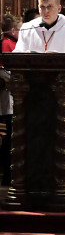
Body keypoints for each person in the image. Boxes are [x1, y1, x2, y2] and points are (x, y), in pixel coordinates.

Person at [14, 0, 65, 195]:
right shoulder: (28, 27)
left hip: (62, 91)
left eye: (49, 7)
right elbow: (17, 55)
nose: (45, 11)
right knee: (33, 137)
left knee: (64, 138)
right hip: (32, 91)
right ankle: (32, 183)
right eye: (42, 7)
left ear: (59, 8)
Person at [0, 15, 21, 185]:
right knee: (9, 134)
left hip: (15, 92)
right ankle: (8, 173)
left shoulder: (12, 42)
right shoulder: (7, 43)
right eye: (20, 30)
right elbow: (5, 70)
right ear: (13, 30)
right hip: (10, 94)